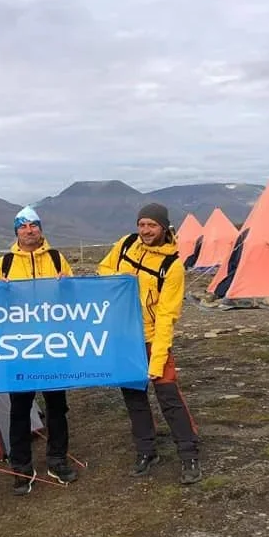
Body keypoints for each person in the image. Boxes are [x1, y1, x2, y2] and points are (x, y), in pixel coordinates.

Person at [97, 203, 202, 485]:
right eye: (141, 224)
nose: (145, 230)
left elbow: (168, 315)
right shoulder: (126, 244)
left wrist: (158, 357)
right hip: (124, 336)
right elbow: (103, 268)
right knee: (134, 397)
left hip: (152, 337)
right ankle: (146, 451)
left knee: (168, 396)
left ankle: (189, 454)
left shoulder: (172, 266)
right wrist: (122, 281)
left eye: (151, 225)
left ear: (163, 227)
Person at [0, 206, 79, 495]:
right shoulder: (3, 264)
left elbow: (76, 298)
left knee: (56, 406)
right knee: (19, 409)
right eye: (23, 226)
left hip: (53, 346)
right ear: (16, 231)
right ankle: (21, 468)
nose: (29, 230)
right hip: (19, 349)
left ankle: (57, 460)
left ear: (41, 229)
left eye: (34, 225)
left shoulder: (56, 258)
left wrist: (68, 287)